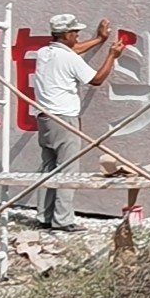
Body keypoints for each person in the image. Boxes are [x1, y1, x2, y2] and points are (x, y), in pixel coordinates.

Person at [32, 13, 128, 231]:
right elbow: (96, 79)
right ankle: (63, 220)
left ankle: (45, 216)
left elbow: (73, 51)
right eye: (75, 33)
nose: (77, 36)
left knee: (49, 168)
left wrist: (100, 40)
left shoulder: (44, 53)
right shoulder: (69, 58)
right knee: (67, 170)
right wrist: (112, 55)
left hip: (45, 119)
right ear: (66, 34)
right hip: (64, 120)